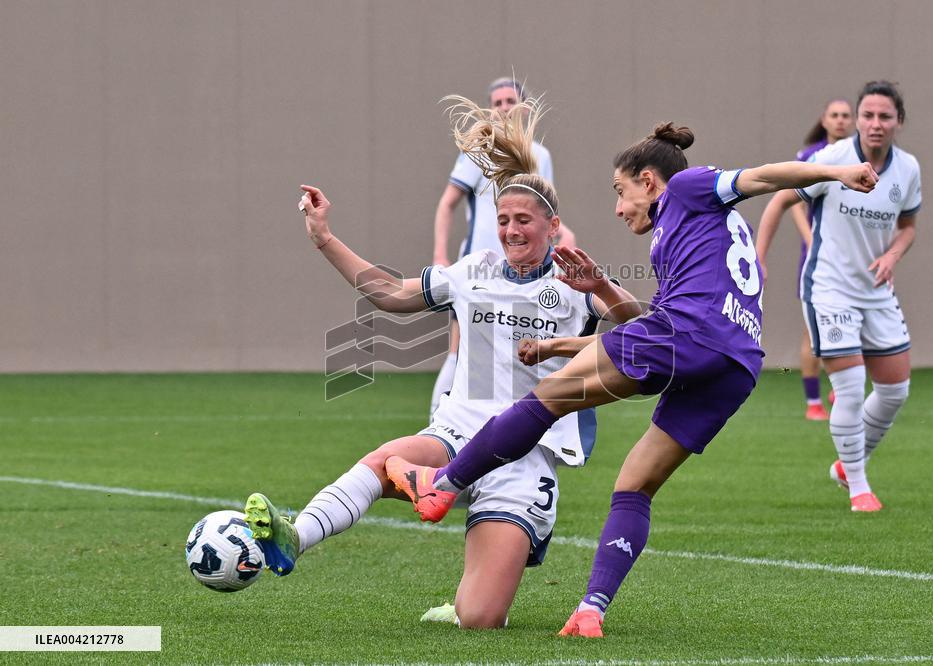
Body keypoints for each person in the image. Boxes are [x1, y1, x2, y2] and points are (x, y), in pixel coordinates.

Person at [386, 104, 878, 637]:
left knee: (545, 399)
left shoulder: (687, 188)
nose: (620, 208)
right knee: (634, 485)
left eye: (621, 191)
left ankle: (443, 484)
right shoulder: (686, 236)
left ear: (649, 181)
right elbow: (646, 330)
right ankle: (591, 609)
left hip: (688, 336)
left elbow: (761, 177)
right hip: (736, 364)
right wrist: (568, 334)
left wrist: (838, 171)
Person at [244, 101, 639, 629]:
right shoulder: (473, 271)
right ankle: (297, 536)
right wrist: (324, 239)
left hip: (524, 455)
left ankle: (442, 494)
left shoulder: (574, 282)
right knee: (383, 458)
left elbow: (643, 326)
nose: (511, 230)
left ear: (553, 225)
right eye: (502, 220)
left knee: (478, 619)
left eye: (524, 220)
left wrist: (603, 287)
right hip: (460, 428)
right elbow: (389, 293)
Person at [750, 81, 920, 513]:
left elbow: (907, 226)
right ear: (857, 119)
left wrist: (894, 256)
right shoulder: (832, 159)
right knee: (848, 387)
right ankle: (859, 487)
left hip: (876, 291)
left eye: (885, 116)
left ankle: (848, 464)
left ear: (898, 121)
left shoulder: (908, 169)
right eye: (868, 115)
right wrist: (758, 258)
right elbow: (780, 201)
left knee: (895, 391)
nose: (875, 124)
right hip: (829, 288)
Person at [429, 77, 576, 420]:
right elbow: (447, 203)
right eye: (497, 103)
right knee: (463, 347)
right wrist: (440, 253)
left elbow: (542, 209)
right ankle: (440, 422)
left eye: (510, 100)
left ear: (523, 108)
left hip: (525, 273)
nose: (504, 107)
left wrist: (563, 234)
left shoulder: (540, 156)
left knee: (516, 355)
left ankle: (504, 429)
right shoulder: (481, 151)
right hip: (483, 270)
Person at [756, 99, 854, 421]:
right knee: (812, 329)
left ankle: (840, 387)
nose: (840, 121)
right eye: (834, 115)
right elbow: (792, 201)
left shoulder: (858, 156)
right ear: (824, 120)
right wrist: (810, 238)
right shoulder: (812, 157)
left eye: (845, 115)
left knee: (849, 321)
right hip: (818, 256)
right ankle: (814, 401)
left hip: (849, 255)